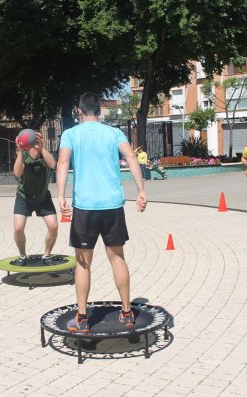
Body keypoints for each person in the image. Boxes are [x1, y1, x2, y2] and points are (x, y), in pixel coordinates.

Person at [57, 92, 147, 333]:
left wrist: (61, 195)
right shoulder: (114, 133)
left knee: (83, 264)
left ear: (78, 110)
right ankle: (127, 314)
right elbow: (131, 156)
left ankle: (83, 318)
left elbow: (63, 163)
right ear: (99, 111)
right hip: (112, 205)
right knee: (117, 257)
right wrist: (141, 190)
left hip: (85, 207)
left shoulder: (71, 134)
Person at [12, 131, 58, 266]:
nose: (36, 144)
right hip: (23, 197)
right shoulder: (24, 155)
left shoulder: (45, 155)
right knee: (18, 228)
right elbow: (17, 172)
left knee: (53, 226)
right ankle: (22, 255)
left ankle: (46, 255)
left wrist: (42, 148)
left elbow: (53, 164)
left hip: (43, 197)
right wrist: (20, 151)